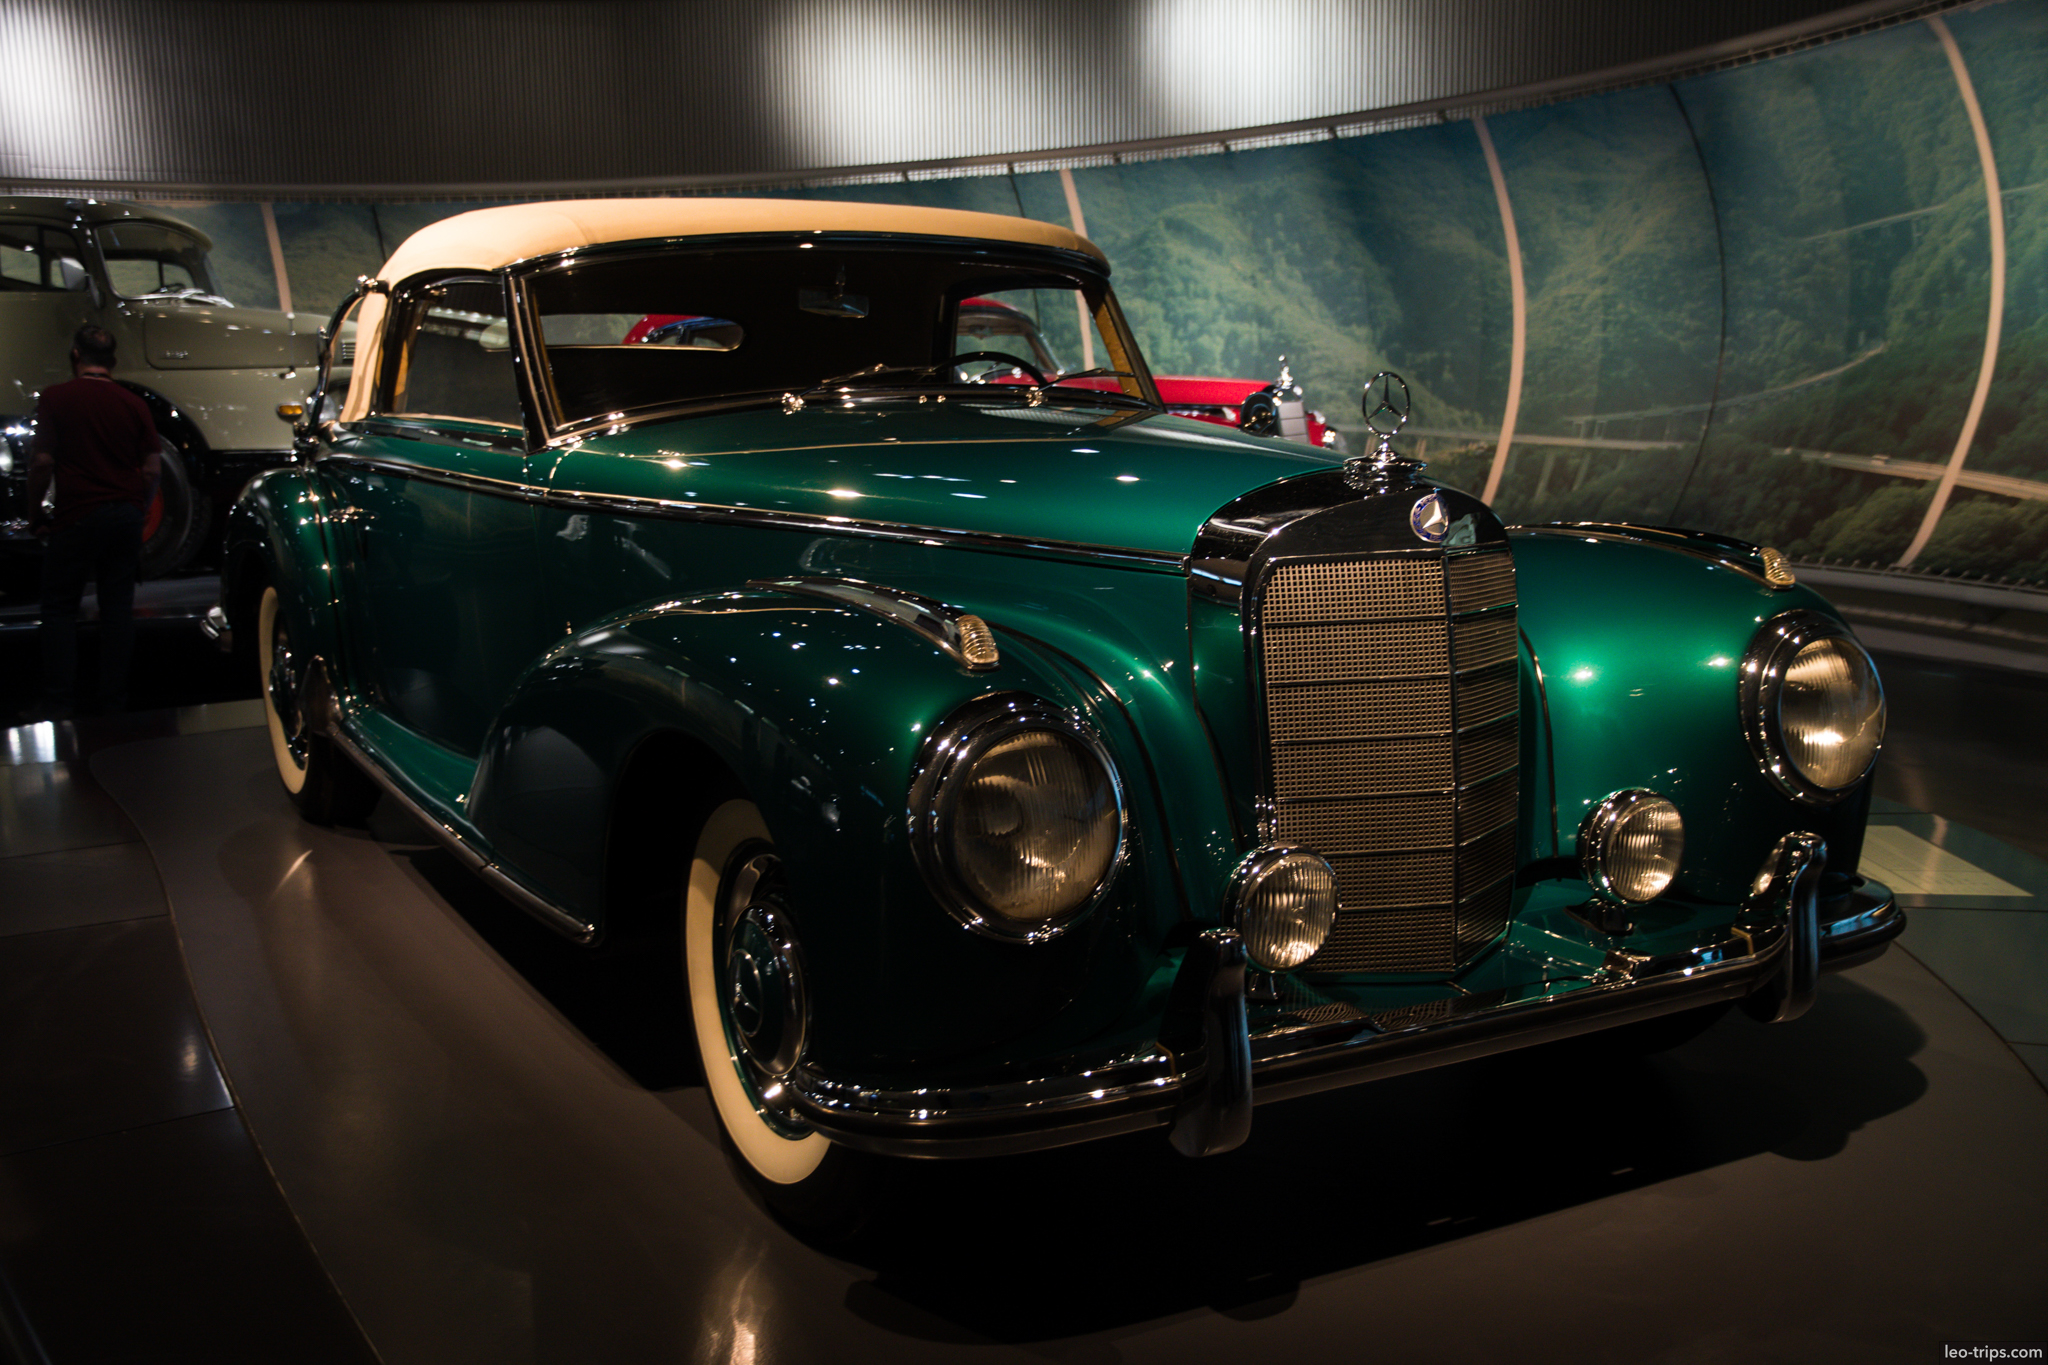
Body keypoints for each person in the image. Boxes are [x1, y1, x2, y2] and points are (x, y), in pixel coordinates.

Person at [24, 323, 161, 718]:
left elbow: (42, 462)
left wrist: (35, 512)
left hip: (77, 514)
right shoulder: (133, 403)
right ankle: (113, 703)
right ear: (112, 361)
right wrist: (139, 508)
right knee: (117, 609)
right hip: (125, 516)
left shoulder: (56, 398)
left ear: (75, 356)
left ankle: (59, 701)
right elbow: (152, 469)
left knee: (59, 607)